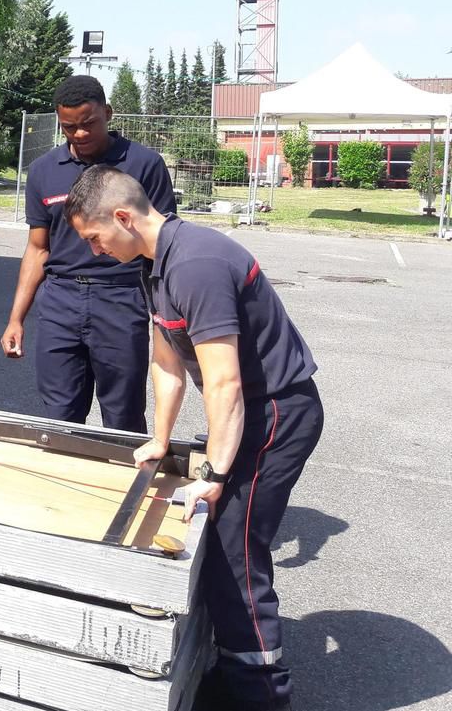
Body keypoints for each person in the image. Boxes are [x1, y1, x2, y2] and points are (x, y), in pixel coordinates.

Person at [64, 164, 322, 711]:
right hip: (247, 408)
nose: (94, 250)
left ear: (122, 217)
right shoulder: (154, 266)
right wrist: (160, 439)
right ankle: (230, 667)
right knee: (219, 543)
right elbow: (166, 362)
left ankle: (261, 696)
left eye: (94, 238)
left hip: (275, 412)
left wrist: (217, 475)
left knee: (232, 553)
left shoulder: (196, 265)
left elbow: (224, 380)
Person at [0, 75, 176, 433]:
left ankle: (125, 484)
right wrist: (16, 318)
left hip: (121, 299)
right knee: (59, 417)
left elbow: (162, 246)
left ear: (108, 113)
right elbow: (37, 249)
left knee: (122, 417)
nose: (79, 134)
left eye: (88, 123)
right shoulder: (44, 172)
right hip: (60, 302)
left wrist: (165, 317)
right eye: (69, 127)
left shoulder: (144, 165)